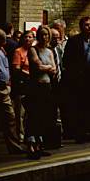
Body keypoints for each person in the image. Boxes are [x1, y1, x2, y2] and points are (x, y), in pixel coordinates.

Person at [63, 17, 90, 143]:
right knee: (81, 106)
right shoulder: (74, 41)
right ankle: (80, 133)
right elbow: (67, 60)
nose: (89, 27)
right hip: (81, 79)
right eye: (87, 25)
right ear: (82, 27)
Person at [0, 29, 24, 154]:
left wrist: (8, 82)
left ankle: (13, 145)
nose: (5, 41)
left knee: (10, 117)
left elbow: (6, 67)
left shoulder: (1, 51)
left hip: (4, 87)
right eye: (2, 39)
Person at [25, 26, 57, 159]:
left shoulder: (49, 51)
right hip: (36, 86)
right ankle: (31, 145)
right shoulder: (33, 49)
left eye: (47, 35)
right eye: (43, 35)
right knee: (34, 115)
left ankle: (39, 144)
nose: (45, 37)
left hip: (47, 86)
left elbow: (54, 68)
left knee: (44, 116)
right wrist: (48, 68)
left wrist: (48, 68)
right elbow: (37, 66)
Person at [11, 31, 34, 143]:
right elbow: (16, 69)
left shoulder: (33, 51)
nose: (28, 39)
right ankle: (20, 134)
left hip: (32, 84)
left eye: (30, 37)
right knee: (20, 112)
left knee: (30, 112)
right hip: (22, 84)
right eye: (26, 37)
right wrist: (28, 73)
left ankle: (29, 134)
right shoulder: (18, 51)